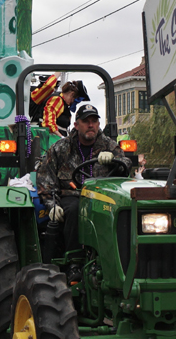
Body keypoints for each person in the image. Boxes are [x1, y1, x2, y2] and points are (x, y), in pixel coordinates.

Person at [37, 104, 130, 279]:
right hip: (72, 196)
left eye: (94, 121)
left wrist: (115, 160)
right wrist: (52, 205)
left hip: (102, 197)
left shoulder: (109, 146)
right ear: (76, 124)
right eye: (86, 121)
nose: (90, 125)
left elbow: (126, 166)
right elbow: (45, 180)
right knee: (75, 210)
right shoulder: (60, 148)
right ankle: (74, 263)